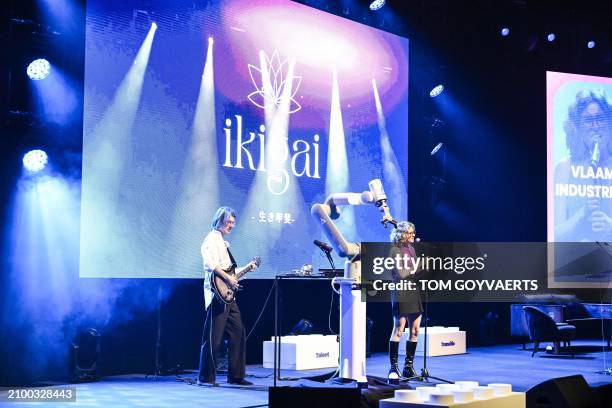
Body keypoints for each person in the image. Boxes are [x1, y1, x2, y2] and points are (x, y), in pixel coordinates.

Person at [198, 206, 258, 386]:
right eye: (228, 222)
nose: (231, 225)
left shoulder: (223, 243)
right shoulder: (211, 239)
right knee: (213, 338)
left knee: (238, 333)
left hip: (228, 296)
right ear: (219, 220)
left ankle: (236, 376)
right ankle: (206, 378)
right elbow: (211, 265)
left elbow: (230, 272)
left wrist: (247, 268)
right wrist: (228, 279)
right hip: (217, 295)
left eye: (233, 222)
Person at [554, 90, 612, 242]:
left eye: (600, 118)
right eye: (588, 120)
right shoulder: (564, 168)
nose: (595, 126)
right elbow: (555, 236)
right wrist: (582, 215)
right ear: (577, 127)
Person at [387, 221, 423, 383]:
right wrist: (417, 268)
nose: (413, 235)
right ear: (402, 234)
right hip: (401, 290)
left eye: (413, 232)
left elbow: (414, 273)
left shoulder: (412, 249)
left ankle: (408, 367)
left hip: (414, 290)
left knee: (415, 330)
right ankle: (393, 368)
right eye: (410, 232)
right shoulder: (395, 250)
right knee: (399, 329)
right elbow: (402, 274)